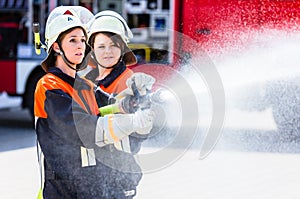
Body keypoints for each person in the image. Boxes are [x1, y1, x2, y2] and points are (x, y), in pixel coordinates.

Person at [34, 6, 154, 199]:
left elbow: (111, 108)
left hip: (92, 191)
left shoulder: (86, 87)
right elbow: (84, 130)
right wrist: (132, 122)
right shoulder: (49, 87)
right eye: (72, 40)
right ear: (56, 47)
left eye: (83, 40)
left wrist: (138, 104)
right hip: (63, 193)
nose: (80, 46)